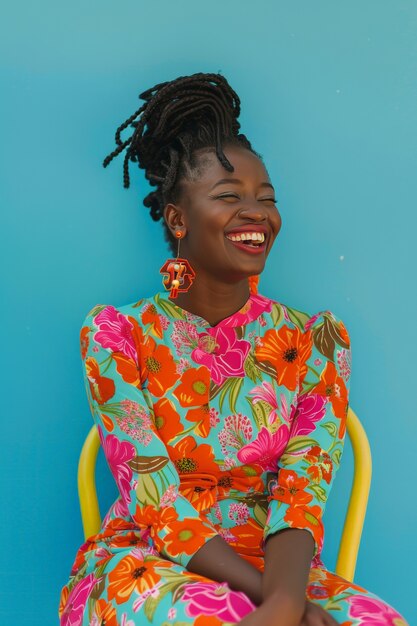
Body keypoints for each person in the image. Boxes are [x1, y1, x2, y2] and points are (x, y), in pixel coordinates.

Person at [58, 72, 408, 626]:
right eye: (229, 196)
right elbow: (155, 500)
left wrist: (290, 597)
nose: (257, 213)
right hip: (148, 563)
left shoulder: (316, 339)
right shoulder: (116, 334)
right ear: (177, 218)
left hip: (280, 568)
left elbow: (302, 491)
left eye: (265, 199)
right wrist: (276, 604)